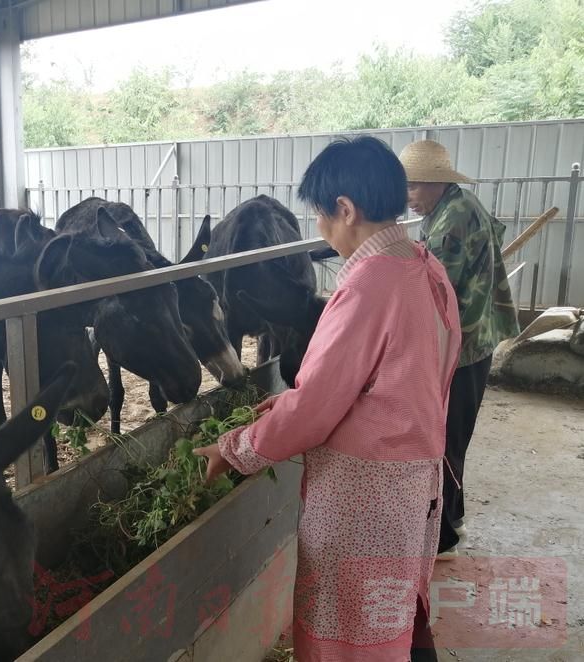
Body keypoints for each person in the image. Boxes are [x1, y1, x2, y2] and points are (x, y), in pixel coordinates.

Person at [195, 136, 461, 662]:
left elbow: (316, 406)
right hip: (411, 480)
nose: (320, 228)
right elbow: (387, 384)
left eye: (320, 215)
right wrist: (286, 408)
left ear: (345, 209)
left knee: (351, 627)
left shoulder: (369, 283)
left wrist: (236, 448)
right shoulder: (424, 266)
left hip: (364, 492)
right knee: (390, 611)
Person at [399, 139, 520, 558]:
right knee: (455, 435)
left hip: (463, 346)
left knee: (446, 437)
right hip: (477, 339)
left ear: (436, 182)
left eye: (413, 186)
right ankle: (455, 517)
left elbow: (432, 290)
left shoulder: (450, 222)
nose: (408, 196)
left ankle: (445, 535)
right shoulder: (459, 205)